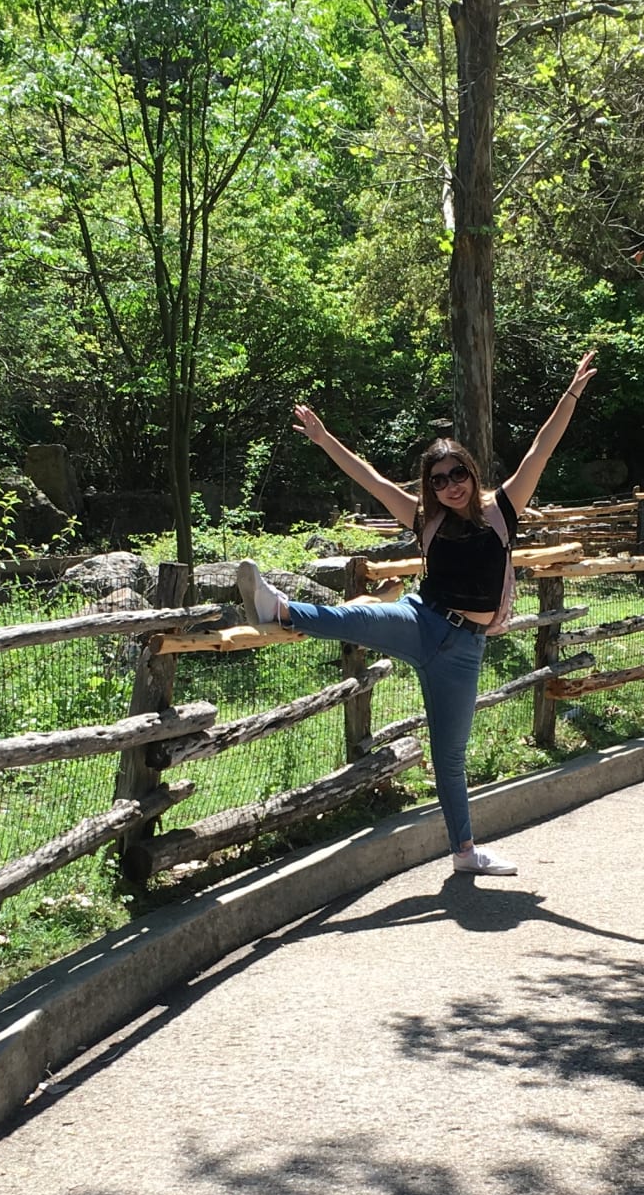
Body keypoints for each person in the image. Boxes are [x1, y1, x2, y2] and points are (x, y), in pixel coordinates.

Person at [234, 351, 597, 878]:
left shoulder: (503, 508)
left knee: (450, 757)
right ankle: (279, 607)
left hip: (464, 650)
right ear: (430, 486)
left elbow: (542, 446)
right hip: (421, 620)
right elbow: (371, 479)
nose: (451, 485)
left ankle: (465, 852)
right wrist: (323, 438)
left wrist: (571, 393)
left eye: (458, 474)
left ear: (471, 473)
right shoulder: (424, 518)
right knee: (354, 619)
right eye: (439, 479)